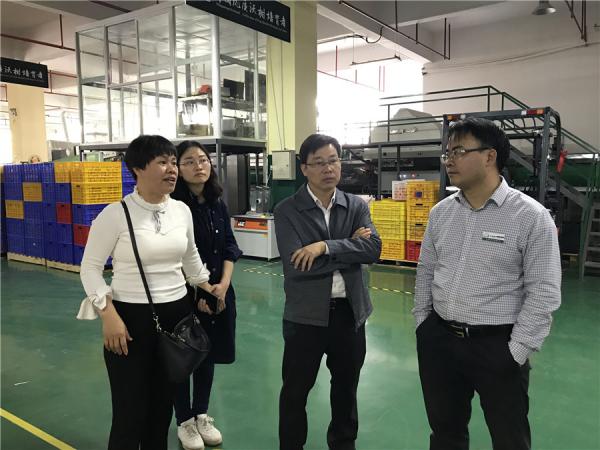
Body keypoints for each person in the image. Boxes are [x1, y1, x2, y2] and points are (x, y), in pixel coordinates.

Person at [413, 117, 562, 450]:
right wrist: (424, 324)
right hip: (440, 342)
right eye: (447, 153)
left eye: (459, 151)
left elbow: (543, 292)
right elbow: (426, 271)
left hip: (497, 345)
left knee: (509, 439)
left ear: (489, 156)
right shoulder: (441, 213)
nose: (449, 160)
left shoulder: (531, 217)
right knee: (445, 434)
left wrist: (516, 351)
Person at [77, 135, 213, 450]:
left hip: (177, 318)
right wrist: (108, 315)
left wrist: (209, 286)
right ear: (138, 168)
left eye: (173, 162)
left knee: (161, 410)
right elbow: (90, 268)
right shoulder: (115, 214)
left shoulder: (181, 211)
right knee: (129, 411)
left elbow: (190, 257)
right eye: (162, 162)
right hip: (129, 320)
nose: (172, 169)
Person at [274, 133, 382, 450]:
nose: (328, 168)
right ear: (304, 168)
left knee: (346, 389)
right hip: (305, 317)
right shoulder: (287, 210)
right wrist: (350, 248)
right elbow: (297, 265)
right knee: (295, 391)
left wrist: (322, 247)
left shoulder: (355, 205)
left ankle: (343, 445)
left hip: (350, 314)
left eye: (333, 160)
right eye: (319, 163)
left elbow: (373, 249)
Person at [171, 141, 242, 450]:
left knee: (207, 354)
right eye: (189, 161)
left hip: (218, 291)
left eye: (202, 159)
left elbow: (229, 246)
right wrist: (201, 290)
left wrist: (223, 285)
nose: (198, 166)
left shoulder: (217, 203)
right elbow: (176, 255)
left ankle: (201, 414)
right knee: (183, 357)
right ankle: (184, 421)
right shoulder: (174, 206)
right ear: (178, 168)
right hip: (184, 294)